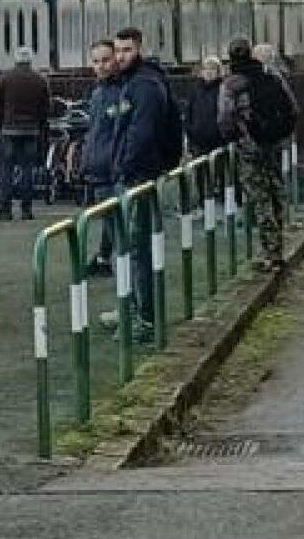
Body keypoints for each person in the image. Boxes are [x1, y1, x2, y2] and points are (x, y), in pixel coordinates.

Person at [106, 27, 180, 342]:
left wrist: (125, 167)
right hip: (137, 172)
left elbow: (141, 133)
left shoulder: (144, 86)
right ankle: (135, 310)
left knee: (138, 249)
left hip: (139, 175)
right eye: (118, 50)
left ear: (138, 49)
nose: (120, 57)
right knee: (133, 249)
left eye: (126, 50)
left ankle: (144, 317)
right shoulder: (136, 83)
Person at [222, 36, 300, 270]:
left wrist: (234, 138)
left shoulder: (232, 84)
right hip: (273, 143)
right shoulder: (271, 77)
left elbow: (224, 119)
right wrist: (281, 134)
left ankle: (271, 253)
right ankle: (278, 246)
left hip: (249, 147)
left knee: (259, 198)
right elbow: (293, 108)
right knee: (276, 190)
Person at [77, 37, 125, 277]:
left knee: (115, 218)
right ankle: (105, 257)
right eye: (96, 61)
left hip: (112, 166)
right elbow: (95, 131)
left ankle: (112, 260)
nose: (101, 66)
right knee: (109, 217)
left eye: (106, 60)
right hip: (99, 164)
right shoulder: (98, 93)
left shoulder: (121, 91)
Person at [0, 49, 51, 221]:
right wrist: (39, 124)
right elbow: (46, 106)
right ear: (31, 61)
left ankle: (5, 209)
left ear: (15, 60)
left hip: (9, 130)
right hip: (31, 130)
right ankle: (26, 209)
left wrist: (0, 123)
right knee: (27, 170)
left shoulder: (5, 78)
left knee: (6, 171)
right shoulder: (39, 80)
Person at [185, 55, 228, 159]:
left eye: (212, 69)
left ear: (218, 72)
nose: (209, 72)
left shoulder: (223, 89)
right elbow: (189, 113)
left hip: (217, 143)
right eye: (206, 68)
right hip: (198, 143)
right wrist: (191, 133)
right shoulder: (196, 90)